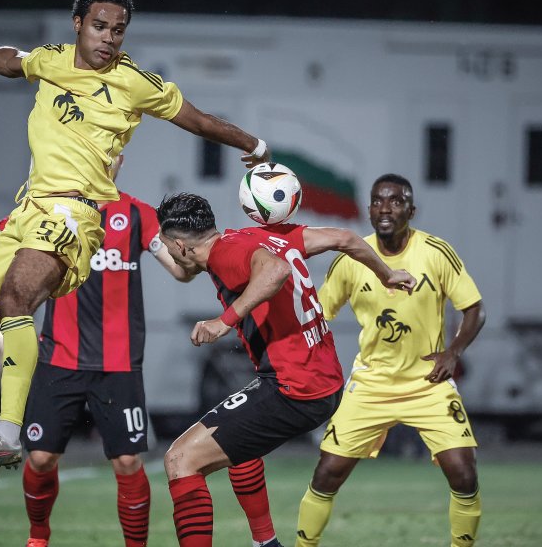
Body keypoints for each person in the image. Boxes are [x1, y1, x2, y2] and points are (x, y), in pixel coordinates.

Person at [0, 0, 270, 505]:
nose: (109, 38)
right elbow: (12, 61)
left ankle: (6, 435)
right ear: (78, 23)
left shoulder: (133, 82)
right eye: (100, 27)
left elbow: (196, 120)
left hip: (77, 213)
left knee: (16, 298)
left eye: (118, 30)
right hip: (29, 207)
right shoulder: (52, 60)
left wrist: (254, 144)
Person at [0, 164, 284, 547]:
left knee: (128, 462)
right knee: (41, 459)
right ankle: (38, 538)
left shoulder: (136, 214)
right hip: (59, 358)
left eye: (111, 153)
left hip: (119, 364)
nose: (106, 160)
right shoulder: (46, 210)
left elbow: (180, 271)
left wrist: (196, 253)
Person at [155, 192, 417, 547]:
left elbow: (275, 271)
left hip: (293, 388)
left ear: (180, 245)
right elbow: (345, 238)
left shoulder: (225, 255)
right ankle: (266, 543)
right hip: (322, 380)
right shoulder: (257, 236)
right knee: (235, 441)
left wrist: (223, 321)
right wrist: (387, 274)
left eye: (168, 246)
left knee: (180, 459)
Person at [293, 174, 485, 547]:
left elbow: (475, 308)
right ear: (369, 210)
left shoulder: (435, 252)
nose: (386, 208)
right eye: (378, 201)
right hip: (371, 384)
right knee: (327, 474)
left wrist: (453, 351)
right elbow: (316, 315)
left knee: (464, 473)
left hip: (428, 383)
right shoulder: (352, 258)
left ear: (411, 211)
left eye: (396, 201)